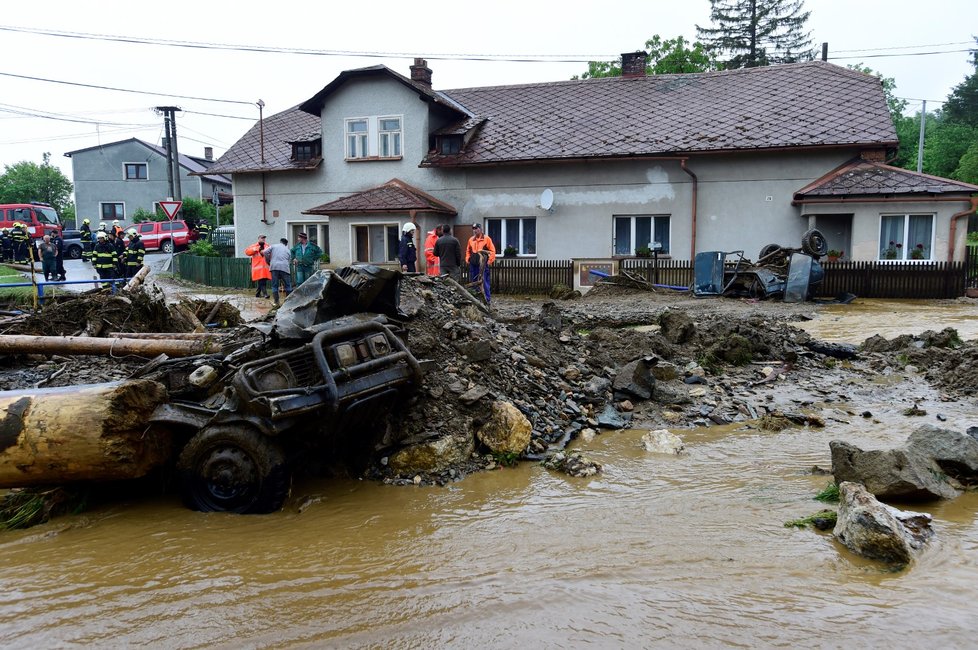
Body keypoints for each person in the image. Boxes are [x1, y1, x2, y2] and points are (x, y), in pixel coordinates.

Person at [465, 222, 496, 304]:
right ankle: (476, 299)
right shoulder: (471, 240)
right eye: (473, 229)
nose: (475, 230)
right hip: (473, 264)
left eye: (476, 228)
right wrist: (467, 259)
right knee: (474, 281)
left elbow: (492, 251)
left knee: (484, 281)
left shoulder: (487, 239)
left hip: (483, 264)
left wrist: (489, 262)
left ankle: (487, 300)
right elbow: (468, 250)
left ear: (480, 229)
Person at [263, 237, 292, 306]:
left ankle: (276, 302)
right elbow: (289, 260)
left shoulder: (273, 246)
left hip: (274, 267)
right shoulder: (288, 250)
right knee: (288, 285)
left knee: (274, 285)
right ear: (286, 244)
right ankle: (288, 302)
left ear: (280, 242)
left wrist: (268, 261)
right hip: (284, 268)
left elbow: (265, 252)